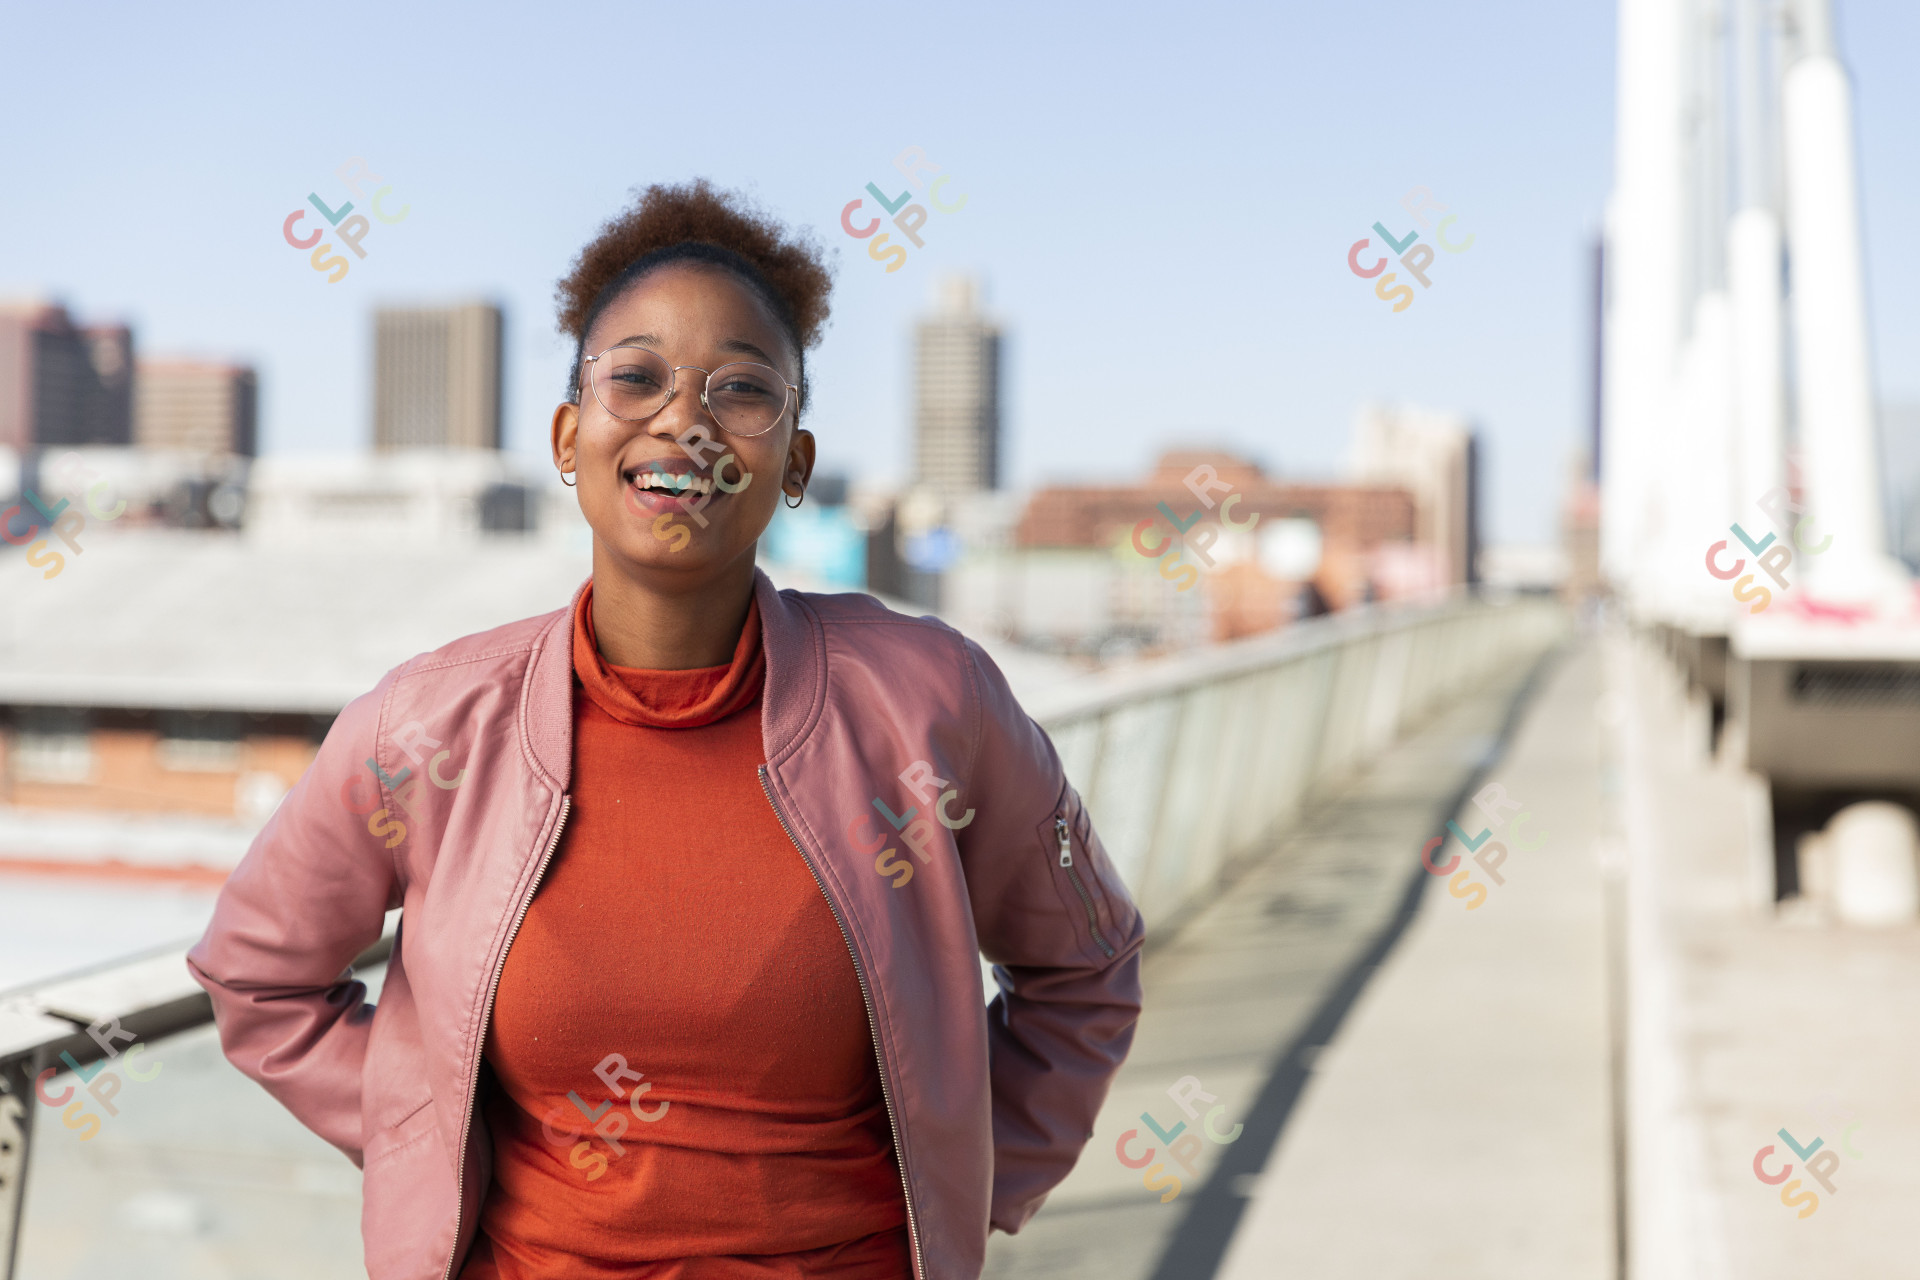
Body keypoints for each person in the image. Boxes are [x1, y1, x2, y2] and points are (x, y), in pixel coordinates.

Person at [188, 179, 1144, 1280]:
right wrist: (430, 1145)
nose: (683, 421)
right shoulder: (429, 724)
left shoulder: (931, 698)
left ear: (795, 463)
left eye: (741, 389)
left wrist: (969, 1181)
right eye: (636, 378)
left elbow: (1088, 965)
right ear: (570, 436)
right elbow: (256, 974)